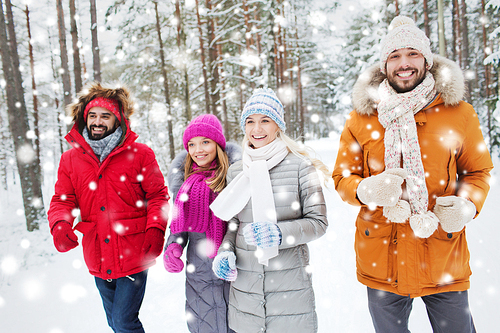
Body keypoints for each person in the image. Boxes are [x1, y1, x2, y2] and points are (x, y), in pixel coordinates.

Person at [332, 16, 493, 333]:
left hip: (443, 256)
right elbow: (342, 177)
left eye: (412, 53)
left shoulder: (459, 112)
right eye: (395, 56)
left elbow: (478, 172)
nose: (404, 63)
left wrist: (467, 206)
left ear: (427, 60)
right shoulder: (361, 118)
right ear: (384, 64)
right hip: (382, 257)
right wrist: (366, 190)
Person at [48, 82, 169, 333]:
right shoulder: (70, 159)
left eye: (105, 116)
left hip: (133, 250)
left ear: (118, 119)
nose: (97, 121)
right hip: (97, 252)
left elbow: (158, 196)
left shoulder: (140, 154)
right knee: (114, 322)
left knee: (125, 322)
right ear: (84, 118)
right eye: (92, 115)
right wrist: (60, 224)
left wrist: (156, 228)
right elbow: (63, 199)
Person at [209, 88, 329, 333]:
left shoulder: (301, 166)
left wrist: (280, 233)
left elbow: (319, 222)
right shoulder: (236, 171)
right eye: (250, 122)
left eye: (265, 120)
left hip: (290, 289)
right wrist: (225, 251)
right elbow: (233, 225)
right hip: (246, 291)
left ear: (278, 126)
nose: (257, 129)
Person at [163, 114, 241, 333]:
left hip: (234, 270)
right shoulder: (185, 184)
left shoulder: (235, 179)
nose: (198, 150)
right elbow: (180, 223)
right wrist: (173, 246)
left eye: (205, 142)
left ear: (218, 144)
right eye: (192, 144)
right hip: (200, 276)